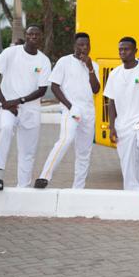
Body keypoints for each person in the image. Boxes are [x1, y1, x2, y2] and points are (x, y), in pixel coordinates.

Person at [35, 33, 101, 189]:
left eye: (87, 45)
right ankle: (44, 176)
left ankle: (78, 188)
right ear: (74, 46)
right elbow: (55, 86)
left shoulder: (94, 65)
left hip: (88, 111)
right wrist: (70, 106)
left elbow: (96, 89)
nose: (84, 48)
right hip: (71, 109)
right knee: (66, 139)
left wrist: (90, 68)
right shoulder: (64, 61)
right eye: (81, 45)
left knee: (84, 152)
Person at [0, 26, 51, 190]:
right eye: (30, 34)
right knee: (5, 128)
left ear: (41, 37)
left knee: (28, 151)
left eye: (37, 34)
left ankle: (23, 186)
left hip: (31, 109)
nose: (34, 37)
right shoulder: (11, 53)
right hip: (8, 107)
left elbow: (42, 90)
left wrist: (18, 100)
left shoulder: (43, 60)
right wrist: (4, 102)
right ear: (25, 35)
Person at [104, 37, 139, 199]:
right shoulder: (115, 74)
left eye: (126, 49)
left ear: (135, 51)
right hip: (123, 124)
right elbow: (111, 102)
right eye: (120, 49)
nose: (123, 52)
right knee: (127, 160)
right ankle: (132, 192)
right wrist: (112, 126)